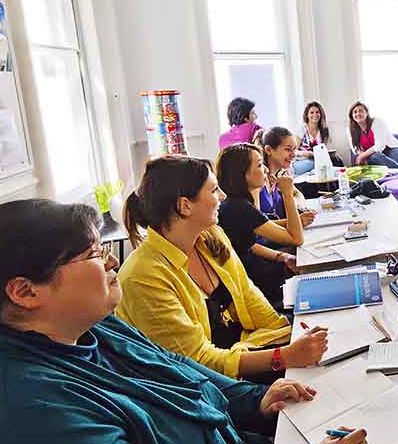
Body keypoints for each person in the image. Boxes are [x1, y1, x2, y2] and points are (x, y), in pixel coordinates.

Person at [0, 198, 366, 444]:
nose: (112, 261)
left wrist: (252, 400)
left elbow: (172, 366)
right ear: (25, 292)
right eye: (93, 254)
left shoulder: (89, 325)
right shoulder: (27, 410)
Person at [117, 154, 327, 381]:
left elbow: (246, 292)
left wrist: (285, 331)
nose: (223, 196)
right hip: (210, 383)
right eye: (214, 190)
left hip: (246, 348)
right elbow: (196, 362)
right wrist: (283, 356)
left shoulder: (211, 235)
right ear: (185, 206)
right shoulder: (143, 277)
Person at [216, 143, 305, 307]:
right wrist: (287, 195)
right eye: (259, 165)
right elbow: (296, 238)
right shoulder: (238, 207)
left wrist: (281, 256)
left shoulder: (238, 202)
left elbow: (249, 243)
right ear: (243, 174)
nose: (265, 169)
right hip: (256, 284)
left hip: (255, 273)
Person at [256, 126, 316, 228]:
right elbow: (256, 225)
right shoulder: (257, 180)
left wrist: (300, 207)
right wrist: (296, 220)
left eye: (294, 149)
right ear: (269, 150)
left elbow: (297, 193)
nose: (294, 155)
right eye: (288, 149)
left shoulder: (282, 174)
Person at [348, 101, 398, 172]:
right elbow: (355, 148)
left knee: (376, 157)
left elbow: (380, 146)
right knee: (374, 157)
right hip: (373, 155)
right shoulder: (351, 130)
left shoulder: (377, 122)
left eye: (361, 111)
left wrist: (362, 156)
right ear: (352, 116)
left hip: (392, 150)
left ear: (366, 113)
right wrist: (362, 155)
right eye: (355, 112)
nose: (358, 114)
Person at [293, 101, 342, 176]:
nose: (315, 115)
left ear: (321, 114)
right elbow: (293, 151)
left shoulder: (324, 130)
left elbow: (322, 150)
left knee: (337, 160)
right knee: (317, 165)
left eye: (317, 112)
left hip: (318, 160)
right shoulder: (302, 129)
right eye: (311, 112)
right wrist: (305, 153)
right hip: (301, 162)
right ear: (307, 115)